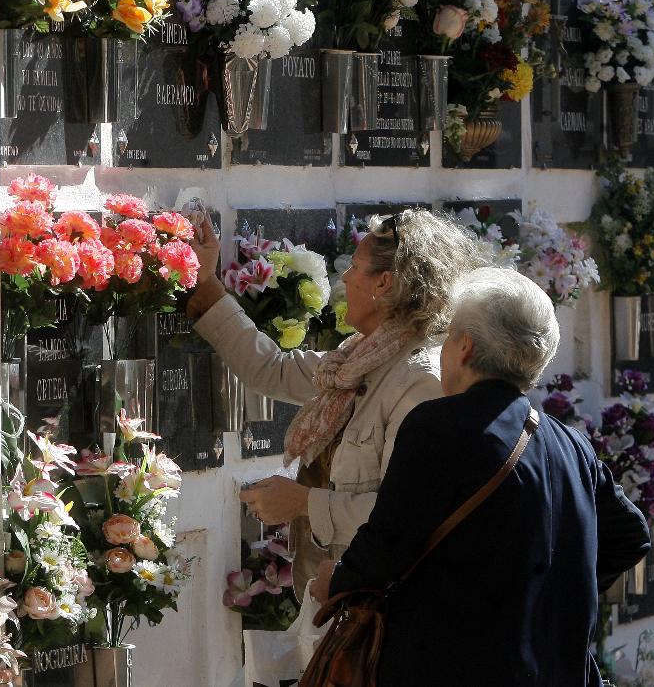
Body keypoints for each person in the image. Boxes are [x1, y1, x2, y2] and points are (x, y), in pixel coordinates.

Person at [309, 267, 651, 685]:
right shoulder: (570, 445)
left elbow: (388, 542)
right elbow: (630, 534)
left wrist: (338, 581)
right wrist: (548, 600)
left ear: (465, 346)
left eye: (448, 336)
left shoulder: (439, 426)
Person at [186, 208, 481, 598]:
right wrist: (205, 282)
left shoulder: (419, 383)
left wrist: (303, 502)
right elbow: (271, 370)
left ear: (384, 283)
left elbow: (404, 514)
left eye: (356, 267)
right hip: (338, 592)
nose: (345, 276)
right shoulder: (360, 358)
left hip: (375, 600)